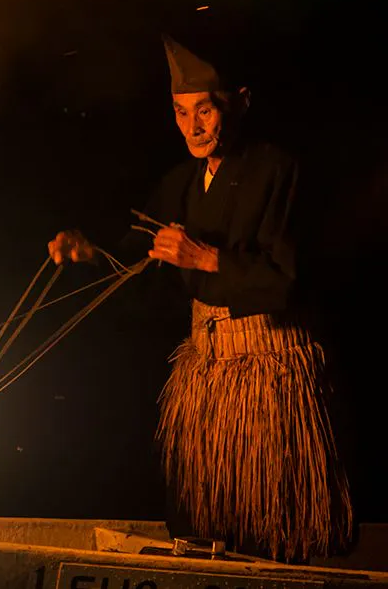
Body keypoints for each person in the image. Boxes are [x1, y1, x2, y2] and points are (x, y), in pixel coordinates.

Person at [48, 35, 352, 563]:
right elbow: (141, 262)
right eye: (180, 112)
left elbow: (290, 278)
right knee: (202, 523)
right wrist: (90, 254)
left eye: (205, 111)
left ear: (239, 103)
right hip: (205, 373)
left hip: (270, 374)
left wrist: (208, 259)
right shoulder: (179, 183)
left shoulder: (279, 170)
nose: (192, 127)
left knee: (272, 525)